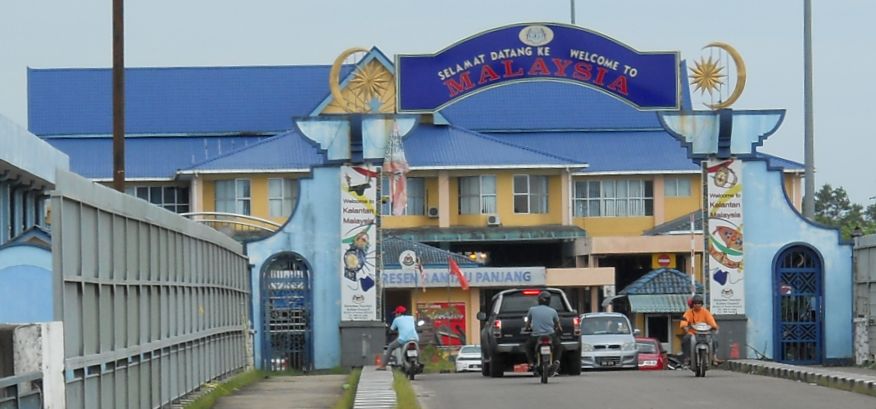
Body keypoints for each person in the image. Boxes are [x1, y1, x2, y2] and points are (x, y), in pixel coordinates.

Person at [524, 291, 563, 375]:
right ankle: (556, 361)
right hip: (551, 335)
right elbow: (558, 326)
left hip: (536, 336)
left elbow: (527, 325)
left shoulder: (532, 310)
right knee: (559, 346)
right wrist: (559, 331)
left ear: (539, 300)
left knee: (528, 346)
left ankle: (531, 363)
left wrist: (527, 329)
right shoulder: (553, 311)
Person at [679, 294, 720, 366]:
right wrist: (684, 326)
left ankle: (714, 357)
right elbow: (684, 320)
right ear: (693, 304)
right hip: (693, 333)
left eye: (699, 303)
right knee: (685, 339)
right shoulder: (688, 312)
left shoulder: (706, 312)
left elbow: (711, 321)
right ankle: (687, 357)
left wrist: (714, 327)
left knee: (714, 340)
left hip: (706, 333)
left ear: (702, 304)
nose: (697, 305)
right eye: (695, 303)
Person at [377, 305, 419, 370]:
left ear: (399, 313)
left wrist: (391, 331)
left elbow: (391, 330)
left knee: (390, 346)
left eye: (396, 313)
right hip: (415, 338)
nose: (395, 315)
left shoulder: (396, 319)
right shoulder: (411, 318)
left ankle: (383, 366)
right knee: (417, 349)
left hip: (403, 339)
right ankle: (418, 362)